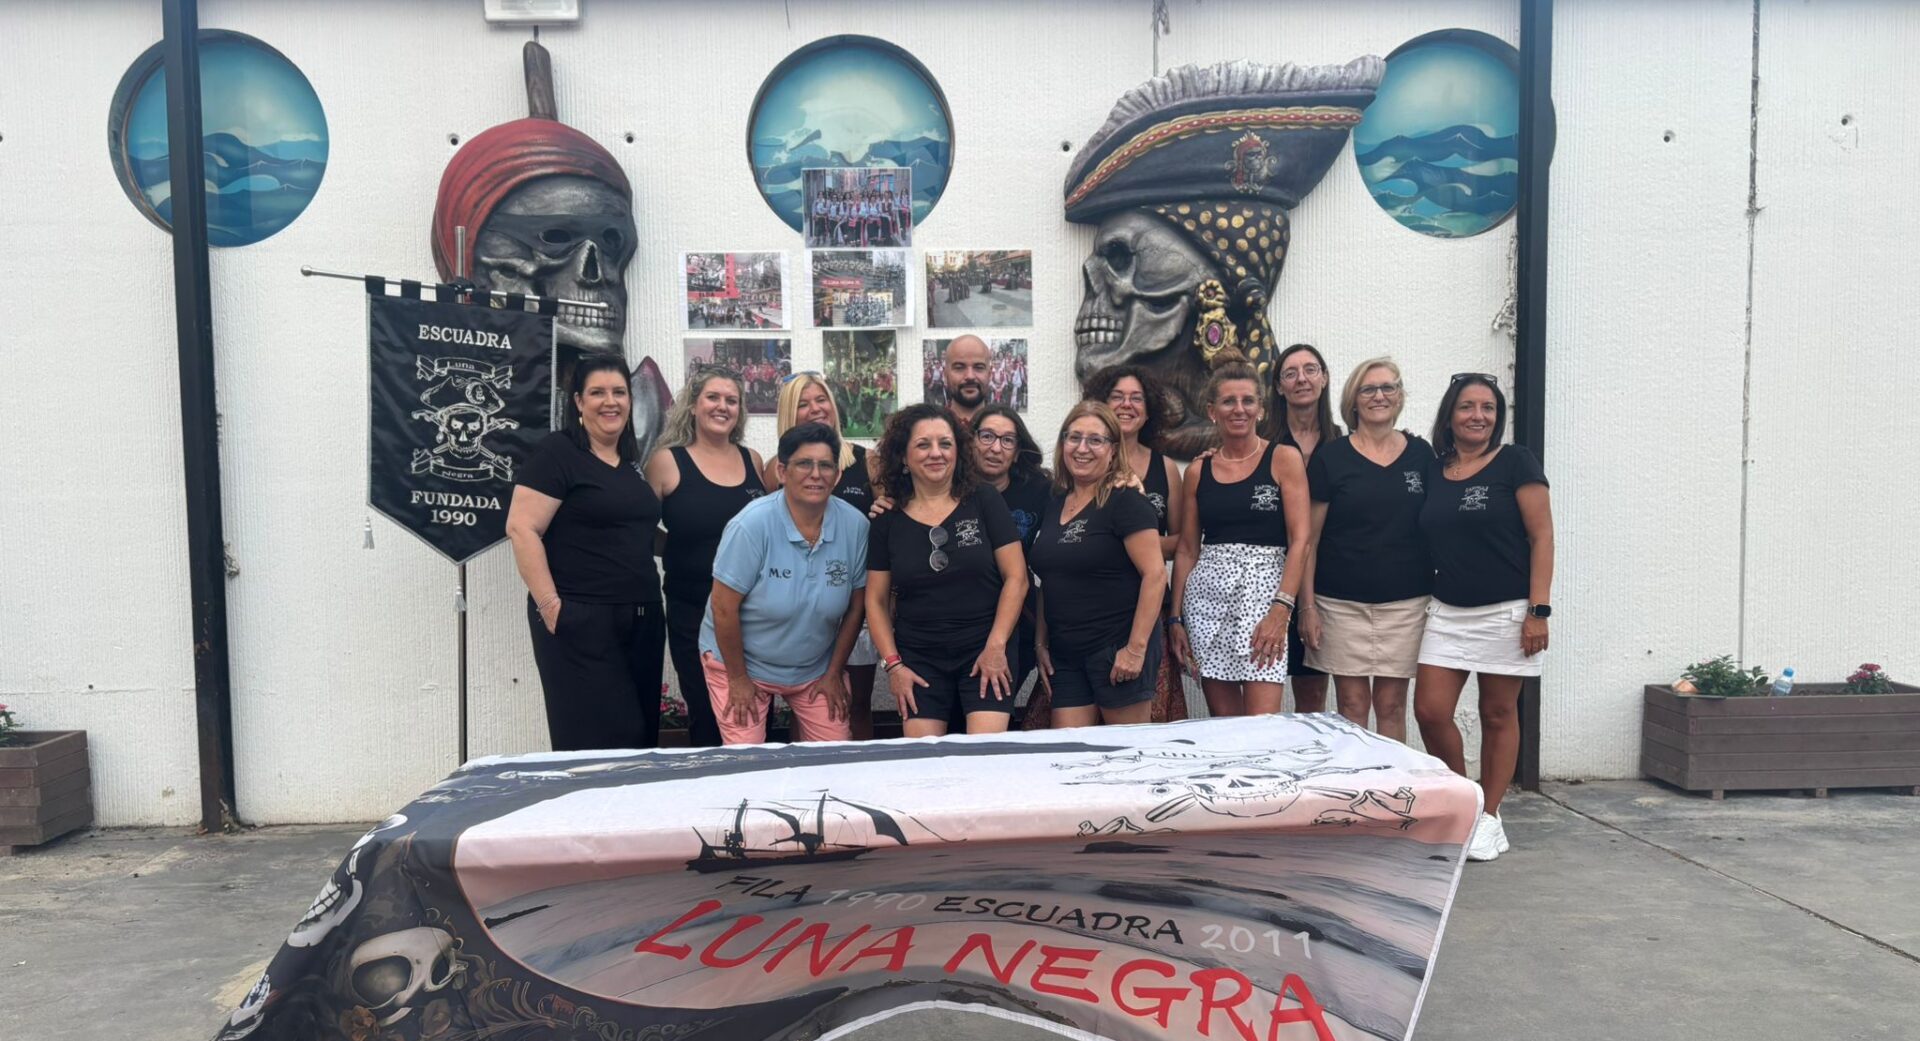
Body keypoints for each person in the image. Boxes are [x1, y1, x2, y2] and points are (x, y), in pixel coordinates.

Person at [1412, 374, 1554, 862]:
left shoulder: (1516, 462)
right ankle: (1466, 803)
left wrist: (1538, 611)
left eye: (1488, 408)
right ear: (1450, 415)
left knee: (1497, 713)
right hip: (1447, 611)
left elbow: (1542, 536)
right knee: (1430, 711)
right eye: (1467, 407)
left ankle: (1490, 817)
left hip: (1507, 611)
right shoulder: (1435, 469)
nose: (1478, 416)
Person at [505, 353, 665, 751]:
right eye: (597, 392)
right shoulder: (558, 453)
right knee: (594, 745)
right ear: (578, 401)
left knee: (640, 741)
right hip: (582, 618)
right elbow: (522, 528)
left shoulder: (629, 464)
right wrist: (551, 606)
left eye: (619, 392)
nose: (610, 402)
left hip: (642, 618)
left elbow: (635, 531)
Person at [865, 404, 1028, 736]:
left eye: (945, 443)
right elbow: (876, 600)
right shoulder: (887, 518)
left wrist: (996, 646)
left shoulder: (983, 499)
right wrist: (893, 666)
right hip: (919, 656)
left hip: (985, 646)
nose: (936, 453)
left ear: (958, 451)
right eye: (923, 445)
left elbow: (1017, 578)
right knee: (926, 759)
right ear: (903, 456)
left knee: (985, 754)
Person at [701, 423, 867, 745]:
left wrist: (834, 673)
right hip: (742, 663)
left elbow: (856, 607)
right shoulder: (751, 525)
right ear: (781, 471)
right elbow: (723, 608)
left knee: (834, 755)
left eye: (825, 465)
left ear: (837, 475)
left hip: (814, 667)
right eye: (804, 464)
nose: (815, 474)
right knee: (747, 759)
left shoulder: (855, 526)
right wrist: (738, 679)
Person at [1170, 348, 1312, 717]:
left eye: (1248, 401)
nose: (1239, 409)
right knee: (1225, 725)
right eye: (1228, 401)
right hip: (1207, 601)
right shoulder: (1197, 472)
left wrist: (1282, 609)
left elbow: (1301, 541)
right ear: (1211, 410)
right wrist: (1176, 618)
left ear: (1261, 409)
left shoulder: (1283, 458)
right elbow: (1187, 550)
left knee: (1263, 724)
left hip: (1265, 597)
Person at [1299, 358, 1435, 742]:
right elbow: (1309, 540)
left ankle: (1391, 781)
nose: (1379, 396)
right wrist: (1307, 607)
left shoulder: (1421, 455)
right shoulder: (1331, 458)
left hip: (1406, 604)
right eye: (1368, 389)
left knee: (1391, 705)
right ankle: (1356, 780)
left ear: (1400, 396)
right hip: (1340, 604)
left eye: (1388, 387)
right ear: (1353, 400)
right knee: (1352, 704)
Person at [645, 367, 766, 748]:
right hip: (692, 609)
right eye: (713, 397)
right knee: (707, 709)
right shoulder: (666, 462)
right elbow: (639, 528)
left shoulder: (753, 461)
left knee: (752, 710)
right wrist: (679, 550)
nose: (722, 406)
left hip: (752, 613)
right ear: (694, 405)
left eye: (732, 400)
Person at [1030, 403, 1165, 727]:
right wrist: (1041, 642)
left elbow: (1155, 575)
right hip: (1066, 655)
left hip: (1116, 648)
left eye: (1095, 440)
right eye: (1074, 437)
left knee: (1125, 753)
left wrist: (1135, 650)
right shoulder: (1055, 502)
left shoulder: (1126, 500)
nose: (1082, 448)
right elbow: (1051, 578)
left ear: (1113, 449)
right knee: (1070, 751)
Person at [765, 372, 882, 739]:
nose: (816, 409)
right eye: (803, 403)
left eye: (821, 400)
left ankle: (862, 769)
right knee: (807, 703)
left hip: (856, 604)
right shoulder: (774, 469)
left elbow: (890, 520)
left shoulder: (868, 461)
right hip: (803, 607)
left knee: (855, 703)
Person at [1085, 364, 1188, 724]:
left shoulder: (1166, 468)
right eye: (1117, 396)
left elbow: (1182, 542)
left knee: (1139, 726)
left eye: (1136, 398)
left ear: (1149, 410)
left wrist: (1135, 542)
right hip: (1090, 611)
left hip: (1146, 609)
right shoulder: (1084, 462)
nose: (1126, 405)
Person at [1260, 343, 1339, 714]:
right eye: (1290, 373)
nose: (1301, 379)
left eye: (1310, 370)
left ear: (1324, 379)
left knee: (1311, 694)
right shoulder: (1261, 443)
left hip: (1327, 580)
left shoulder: (1345, 443)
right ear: (1278, 386)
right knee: (1262, 686)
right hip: (1268, 581)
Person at [939, 334, 992, 426]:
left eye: (979, 367)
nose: (970, 376)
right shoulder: (930, 429)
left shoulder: (1007, 429)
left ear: (989, 375)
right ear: (945, 375)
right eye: (959, 367)